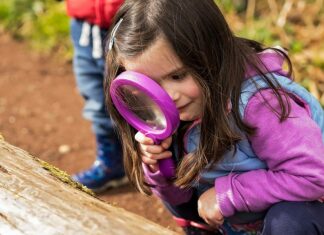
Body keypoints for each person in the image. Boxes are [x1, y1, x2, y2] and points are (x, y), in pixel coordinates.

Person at [104, 0, 324, 234]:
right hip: (238, 217)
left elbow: (311, 177)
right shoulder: (182, 107)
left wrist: (228, 194)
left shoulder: (262, 103)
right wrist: (160, 166)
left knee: (290, 221)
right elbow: (179, 196)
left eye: (178, 76)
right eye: (149, 85)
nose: (168, 97)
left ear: (212, 53)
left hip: (312, 202)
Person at [66, 0, 127, 192]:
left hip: (131, 22)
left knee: (142, 95)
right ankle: (111, 163)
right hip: (83, 25)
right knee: (96, 97)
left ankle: (166, 167)